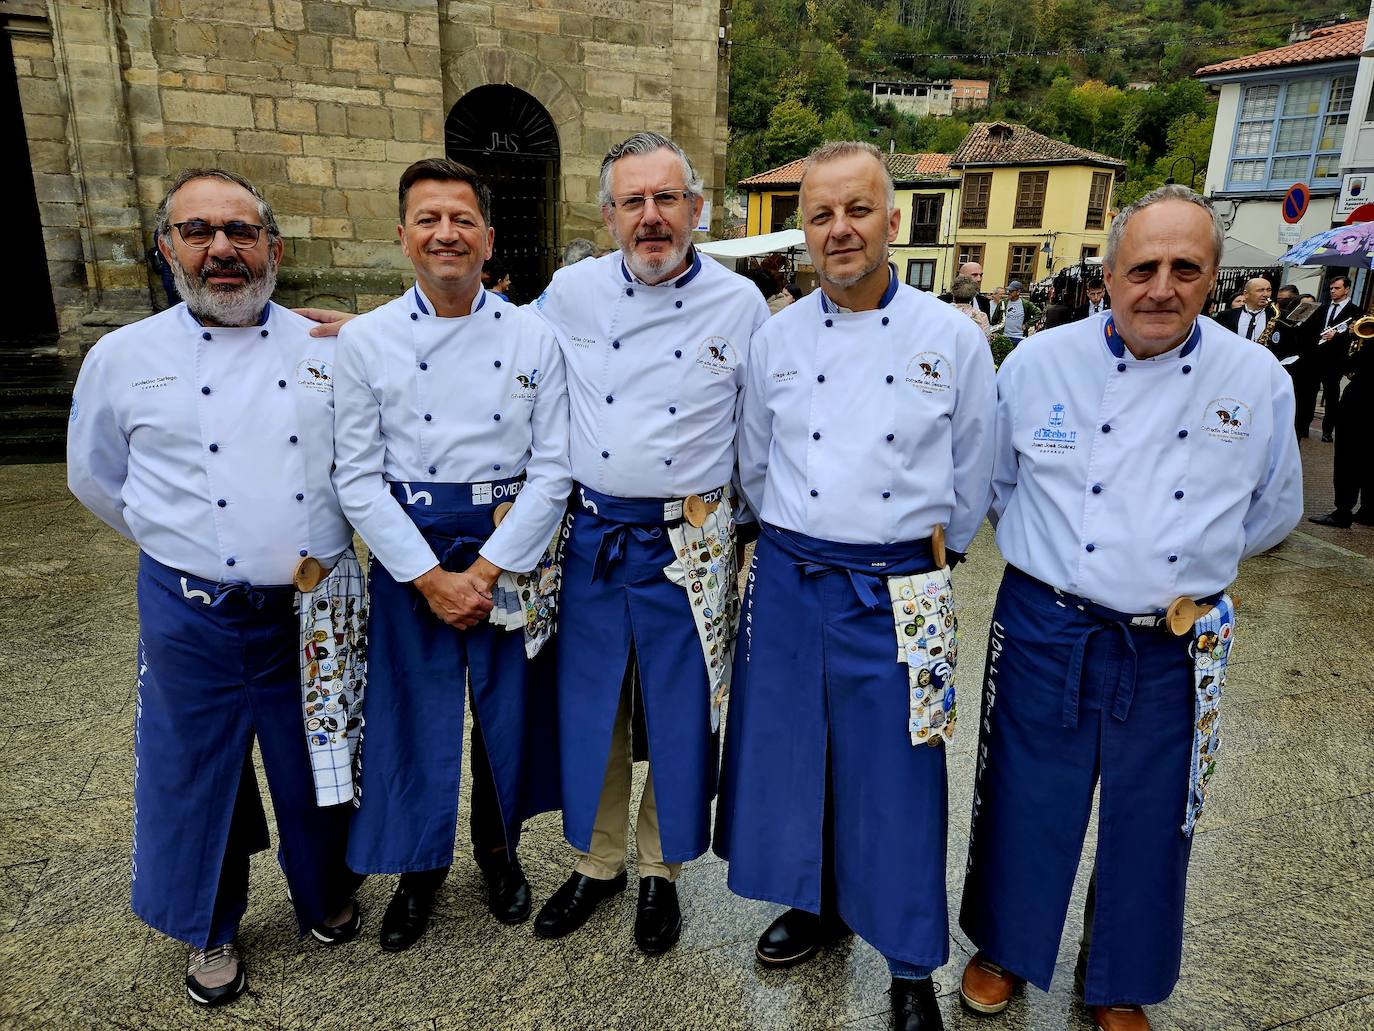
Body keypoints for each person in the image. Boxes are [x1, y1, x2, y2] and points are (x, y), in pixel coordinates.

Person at [957, 185, 1302, 1031]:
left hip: (1176, 637)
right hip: (1048, 622)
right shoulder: (1037, 363)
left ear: (1214, 280)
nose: (1162, 288)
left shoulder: (1256, 379)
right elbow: (998, 486)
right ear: (1107, 276)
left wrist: (1187, 562)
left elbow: (1274, 509)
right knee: (1025, 790)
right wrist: (1060, 560)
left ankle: (1118, 977)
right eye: (1143, 268)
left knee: (1153, 812)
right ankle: (1006, 946)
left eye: (1186, 269)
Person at [67, 169, 365, 1008]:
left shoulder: (330, 346)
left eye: (241, 231)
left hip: (313, 607)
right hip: (191, 611)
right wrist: (181, 544)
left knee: (319, 755)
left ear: (275, 249)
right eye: (198, 232)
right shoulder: (121, 357)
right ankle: (209, 924)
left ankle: (325, 892)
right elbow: (94, 478)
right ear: (168, 249)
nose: (221, 249)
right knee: (195, 767)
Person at [716, 141, 995, 1031]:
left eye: (858, 210)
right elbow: (756, 463)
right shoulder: (777, 335)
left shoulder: (954, 338)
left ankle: (910, 963)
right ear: (805, 228)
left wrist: (920, 559)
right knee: (795, 754)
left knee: (902, 774)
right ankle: (816, 901)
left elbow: (974, 477)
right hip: (791, 578)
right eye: (822, 214)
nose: (840, 229)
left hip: (902, 584)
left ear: (893, 218)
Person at [530, 131, 770, 953]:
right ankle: (597, 862)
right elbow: (494, 348)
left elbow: (760, 430)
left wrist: (752, 534)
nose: (651, 217)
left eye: (667, 198)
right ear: (608, 216)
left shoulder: (740, 304)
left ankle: (659, 867)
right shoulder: (570, 291)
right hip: (595, 533)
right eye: (632, 201)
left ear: (696, 209)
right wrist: (365, 334)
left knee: (680, 708)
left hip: (691, 539)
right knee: (592, 704)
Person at [330, 159, 569, 950]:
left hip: (508, 541)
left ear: (488, 238)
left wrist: (489, 569)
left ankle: (499, 852)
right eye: (428, 219)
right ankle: (418, 867)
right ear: (403, 236)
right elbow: (356, 478)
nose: (446, 234)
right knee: (411, 711)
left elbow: (554, 468)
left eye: (462, 219)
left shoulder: (535, 335)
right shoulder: (364, 340)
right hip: (412, 548)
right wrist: (431, 578)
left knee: (507, 712)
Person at [1309, 310, 1374, 527]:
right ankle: (1368, 511)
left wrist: (1346, 338)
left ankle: (1343, 511)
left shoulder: (1368, 342)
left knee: (1348, 458)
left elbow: (1348, 365)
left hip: (1359, 403)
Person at [1306, 275, 1358, 442]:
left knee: (1331, 397)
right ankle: (1304, 426)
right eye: (1331, 288)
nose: (1333, 291)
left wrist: (1338, 335)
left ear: (1346, 289)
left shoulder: (1355, 311)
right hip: (1316, 357)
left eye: (1337, 288)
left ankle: (1327, 431)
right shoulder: (1322, 308)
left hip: (1336, 360)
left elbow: (1356, 336)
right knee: (1309, 393)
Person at [1212, 277, 1274, 341]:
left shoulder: (1275, 317)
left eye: (1269, 290)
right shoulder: (1225, 316)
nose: (1266, 294)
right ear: (1246, 294)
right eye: (1260, 290)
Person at [951, 273, 993, 339]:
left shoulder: (944, 312)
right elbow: (986, 340)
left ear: (953, 294)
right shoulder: (981, 316)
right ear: (972, 297)